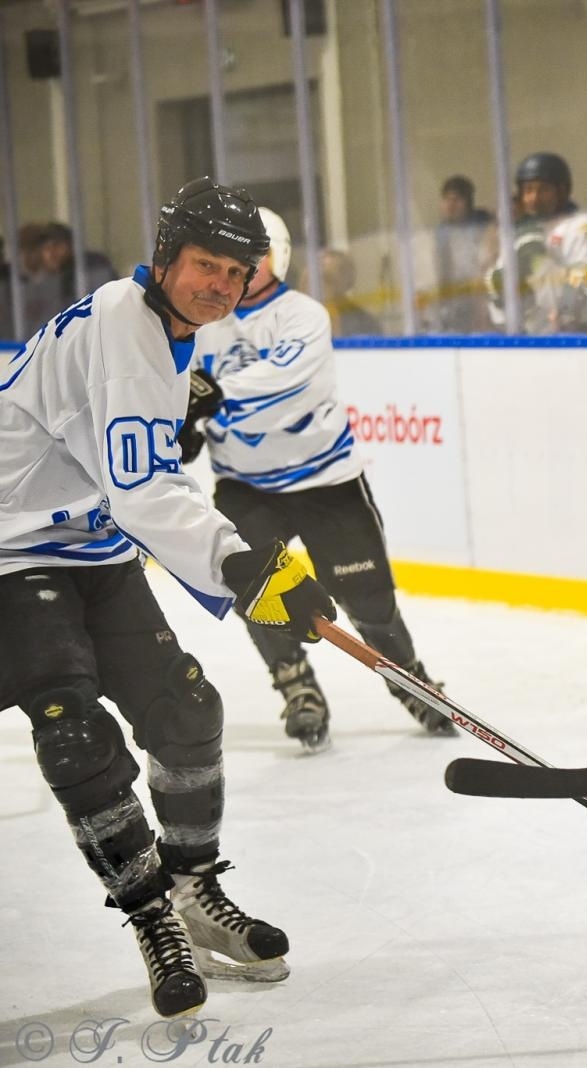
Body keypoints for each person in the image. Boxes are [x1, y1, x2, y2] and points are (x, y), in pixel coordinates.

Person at [0, 177, 338, 1016]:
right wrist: (255, 569)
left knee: (186, 714)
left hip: (93, 545)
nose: (220, 284)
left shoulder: (167, 327)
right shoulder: (127, 321)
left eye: (235, 272)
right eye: (204, 265)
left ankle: (192, 893)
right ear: (165, 259)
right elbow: (144, 491)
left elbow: (132, 467)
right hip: (14, 550)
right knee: (76, 735)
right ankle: (152, 914)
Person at [186, 206, 455, 750]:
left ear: (278, 257)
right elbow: (176, 390)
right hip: (246, 486)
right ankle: (296, 685)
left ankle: (409, 679)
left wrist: (212, 394)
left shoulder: (303, 315)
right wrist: (180, 421)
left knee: (369, 598)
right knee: (256, 588)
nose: (243, 268)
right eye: (233, 258)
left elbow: (288, 383)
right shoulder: (200, 326)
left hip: (327, 484)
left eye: (254, 256)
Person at [486, 151, 587, 334]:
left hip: (575, 332)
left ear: (562, 191)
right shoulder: (520, 234)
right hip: (531, 332)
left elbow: (584, 273)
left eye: (543, 190)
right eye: (528, 190)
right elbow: (499, 281)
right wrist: (499, 289)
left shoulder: (579, 226)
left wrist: (565, 311)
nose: (534, 198)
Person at [432, 175, 494, 333]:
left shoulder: (483, 224)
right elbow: (442, 269)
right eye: (447, 199)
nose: (450, 205)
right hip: (456, 297)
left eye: (456, 199)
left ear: (469, 202)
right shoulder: (442, 232)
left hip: (483, 294)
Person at [320, 248, 384, 337]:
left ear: (349, 278)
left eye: (329, 276)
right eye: (325, 276)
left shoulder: (365, 322)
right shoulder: (305, 317)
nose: (328, 282)